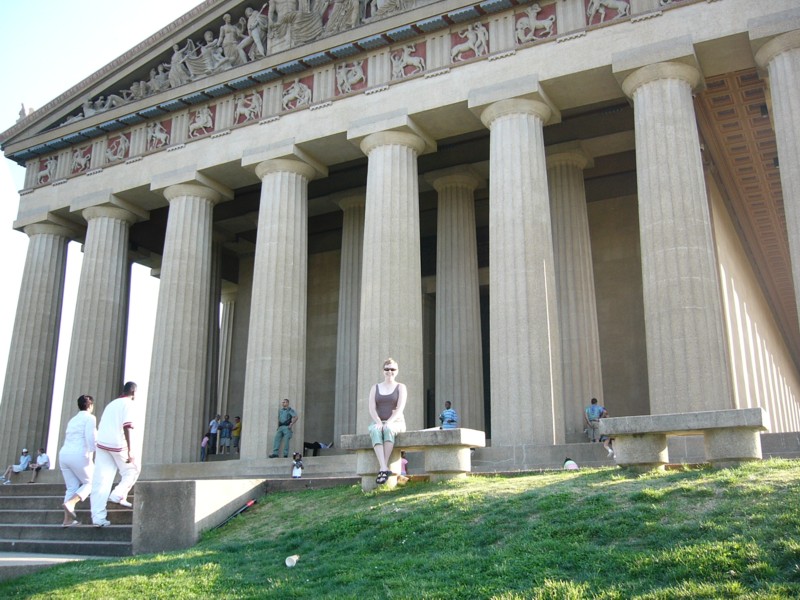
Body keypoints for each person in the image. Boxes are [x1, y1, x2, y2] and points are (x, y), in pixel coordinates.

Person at [90, 382, 140, 527]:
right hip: (117, 444)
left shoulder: (111, 404)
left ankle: (98, 518)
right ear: (134, 393)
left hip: (102, 444)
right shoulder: (129, 404)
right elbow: (127, 426)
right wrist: (130, 449)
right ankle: (117, 494)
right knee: (132, 469)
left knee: (101, 481)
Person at [368, 357, 407, 485]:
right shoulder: (375, 387)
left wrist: (389, 421)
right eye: (387, 369)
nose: (390, 372)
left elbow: (400, 407)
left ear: (397, 371)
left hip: (396, 423)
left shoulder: (401, 387)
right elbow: (372, 408)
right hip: (380, 421)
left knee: (388, 429)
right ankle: (384, 467)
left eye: (393, 369)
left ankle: (383, 469)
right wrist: (379, 421)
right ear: (383, 371)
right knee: (374, 430)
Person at [60, 394, 97, 526]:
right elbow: (91, 438)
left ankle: (67, 520)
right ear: (91, 406)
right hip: (79, 454)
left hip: (64, 455)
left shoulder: (72, 420)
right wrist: (96, 452)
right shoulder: (90, 418)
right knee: (91, 483)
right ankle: (71, 503)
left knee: (71, 487)